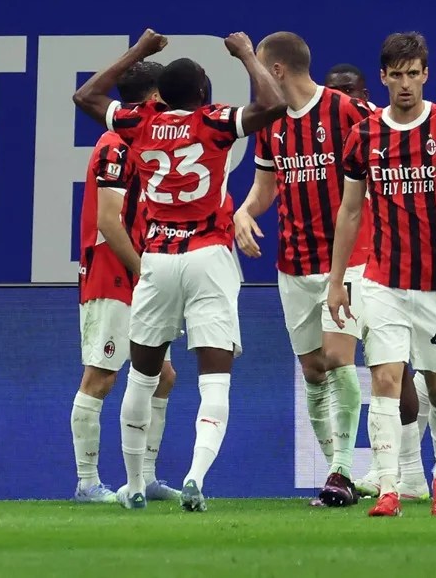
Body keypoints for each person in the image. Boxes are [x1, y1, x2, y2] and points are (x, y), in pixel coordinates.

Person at [72, 28, 286, 510]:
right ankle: (195, 477)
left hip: (158, 261)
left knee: (143, 378)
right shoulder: (213, 124)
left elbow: (85, 95)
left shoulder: (136, 125)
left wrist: (140, 51)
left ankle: (132, 485)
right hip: (207, 255)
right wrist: (248, 55)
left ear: (160, 95)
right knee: (214, 378)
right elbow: (272, 105)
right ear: (204, 96)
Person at [327, 31, 436, 517]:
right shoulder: (364, 136)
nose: (405, 84)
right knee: (384, 377)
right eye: (396, 75)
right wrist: (338, 281)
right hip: (383, 281)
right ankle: (388, 488)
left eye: (413, 73)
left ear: (426, 74)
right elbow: (350, 212)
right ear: (383, 77)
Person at [233, 32, 371, 507]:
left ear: (275, 70)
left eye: (256, 69)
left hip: (347, 260)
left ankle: (342, 471)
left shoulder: (345, 111)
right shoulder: (271, 125)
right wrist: (243, 212)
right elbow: (265, 188)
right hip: (292, 264)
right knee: (313, 370)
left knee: (338, 359)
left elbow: (394, 148)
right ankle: (338, 469)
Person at [72, 61, 179, 504]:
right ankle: (86, 482)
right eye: (162, 101)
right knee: (100, 376)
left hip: (136, 270)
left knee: (164, 376)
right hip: (112, 271)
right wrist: (144, 270)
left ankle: (147, 476)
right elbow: (109, 223)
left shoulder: (137, 142)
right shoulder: (115, 145)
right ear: (152, 100)